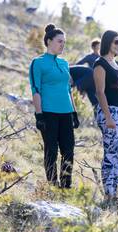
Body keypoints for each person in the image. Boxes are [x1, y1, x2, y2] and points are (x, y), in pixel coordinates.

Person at [29, 23, 79, 188]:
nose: (62, 45)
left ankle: (66, 186)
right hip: (48, 113)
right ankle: (52, 185)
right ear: (49, 41)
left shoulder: (64, 63)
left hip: (66, 112)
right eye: (59, 41)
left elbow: (68, 89)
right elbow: (36, 89)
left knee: (68, 151)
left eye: (64, 42)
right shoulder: (38, 62)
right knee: (51, 150)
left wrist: (74, 112)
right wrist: (39, 114)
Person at [93, 30, 118, 208]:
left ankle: (115, 193)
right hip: (109, 112)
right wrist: (108, 117)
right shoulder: (100, 64)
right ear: (108, 43)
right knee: (110, 153)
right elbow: (100, 92)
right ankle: (108, 194)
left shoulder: (116, 63)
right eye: (116, 42)